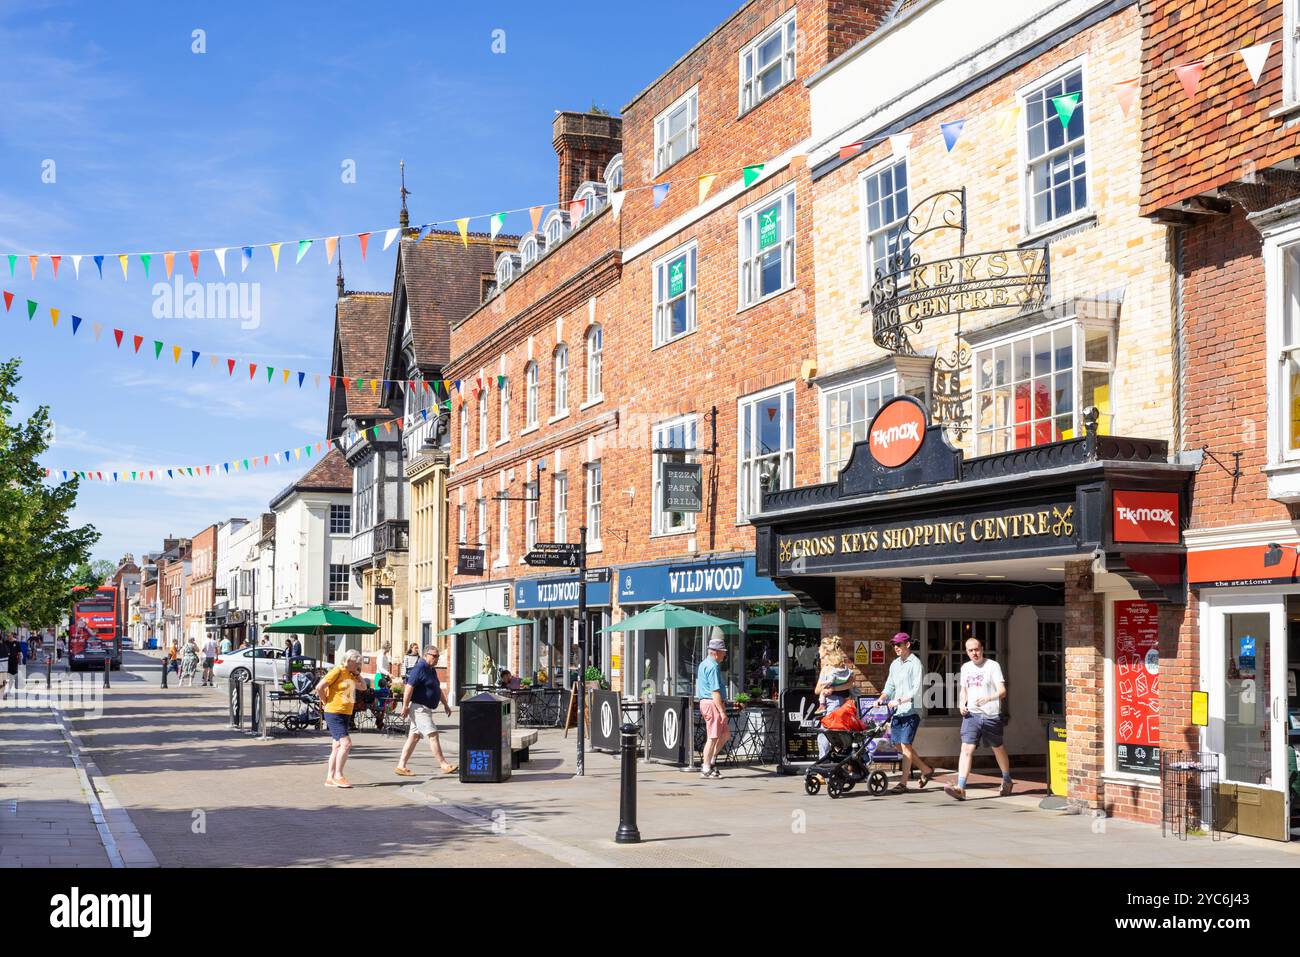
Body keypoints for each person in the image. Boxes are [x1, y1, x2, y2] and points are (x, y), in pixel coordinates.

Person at [945, 636, 1013, 801]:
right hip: (971, 715)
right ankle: (961, 788)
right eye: (970, 650)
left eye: (977, 649)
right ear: (967, 652)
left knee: (998, 748)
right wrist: (962, 704)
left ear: (982, 649)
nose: (974, 653)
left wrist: (988, 698)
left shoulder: (992, 666)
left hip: (990, 715)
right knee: (966, 749)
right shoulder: (966, 668)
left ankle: (1006, 779)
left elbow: (1002, 691)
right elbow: (964, 690)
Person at [875, 632, 936, 792]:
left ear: (907, 645)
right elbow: (890, 686)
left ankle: (903, 783)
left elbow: (916, 691)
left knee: (906, 745)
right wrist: (882, 698)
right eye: (894, 645)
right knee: (897, 745)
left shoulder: (916, 664)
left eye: (899, 645)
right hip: (898, 711)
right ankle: (926, 769)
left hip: (912, 710)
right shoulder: (895, 664)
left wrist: (899, 700)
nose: (896, 648)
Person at [394, 646, 457, 777]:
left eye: (438, 657)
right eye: (434, 656)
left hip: (426, 709)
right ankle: (443, 764)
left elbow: (437, 689)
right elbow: (409, 688)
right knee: (433, 735)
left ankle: (401, 766)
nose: (436, 659)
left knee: (414, 738)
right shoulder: (419, 668)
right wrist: (405, 706)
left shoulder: (431, 670)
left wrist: (446, 704)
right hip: (419, 708)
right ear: (425, 655)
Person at [315, 649, 363, 788]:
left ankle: (329, 778)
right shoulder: (337, 671)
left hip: (345, 713)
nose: (358, 665)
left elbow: (364, 687)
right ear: (348, 661)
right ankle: (338, 775)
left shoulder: (351, 674)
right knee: (346, 744)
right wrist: (325, 701)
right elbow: (319, 687)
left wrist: (358, 674)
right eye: (356, 663)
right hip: (334, 712)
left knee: (336, 746)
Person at [814, 641, 855, 761]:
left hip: (836, 702)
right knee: (831, 733)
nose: (818, 652)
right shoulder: (826, 669)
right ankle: (833, 760)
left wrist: (833, 688)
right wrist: (825, 688)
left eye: (820, 650)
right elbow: (817, 690)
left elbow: (851, 683)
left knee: (827, 732)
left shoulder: (837, 668)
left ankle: (825, 761)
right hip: (830, 702)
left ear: (825, 651)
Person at [696, 637, 730, 779]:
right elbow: (715, 691)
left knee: (725, 735)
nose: (724, 655)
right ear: (716, 652)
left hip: (710, 703)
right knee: (713, 737)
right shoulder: (712, 666)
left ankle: (710, 761)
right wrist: (722, 711)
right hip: (711, 703)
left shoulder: (705, 663)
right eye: (723, 652)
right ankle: (706, 768)